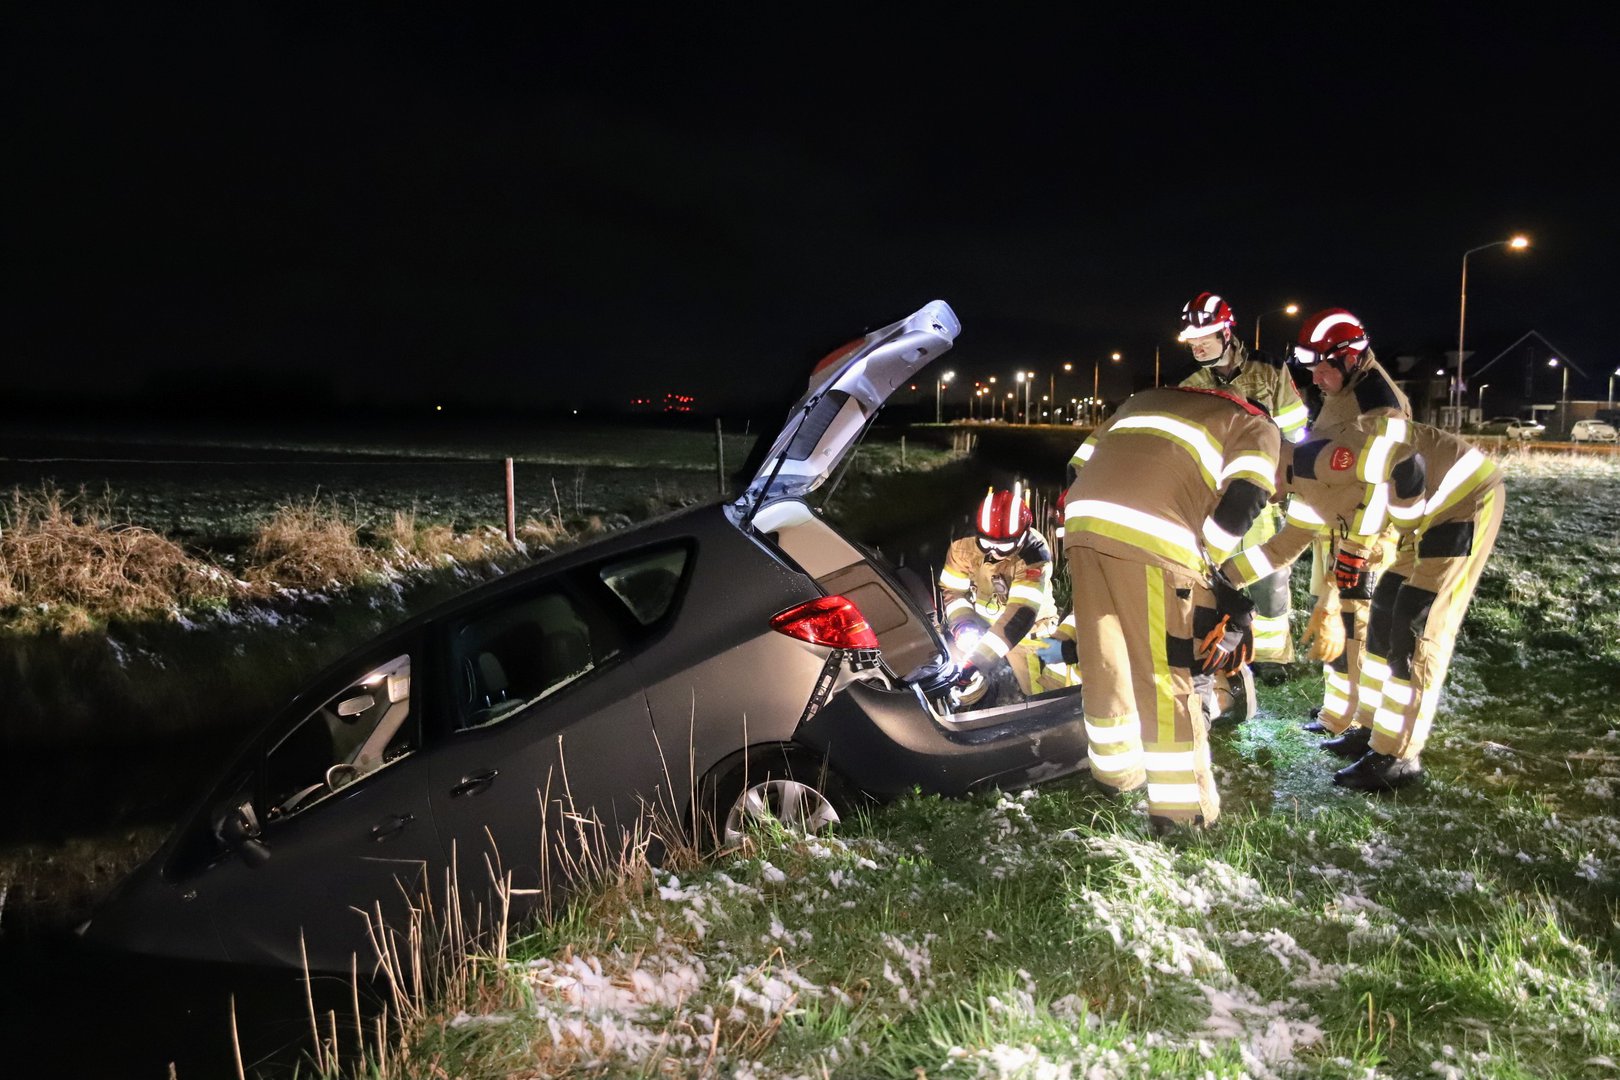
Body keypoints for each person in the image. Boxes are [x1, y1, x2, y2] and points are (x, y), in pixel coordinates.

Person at [1221, 416, 1503, 789]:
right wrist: (1221, 577)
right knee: (1384, 616)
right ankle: (1371, 734)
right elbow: (1280, 549)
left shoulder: (1320, 459)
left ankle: (1399, 758)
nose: (1253, 495)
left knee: (1416, 625)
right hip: (1423, 522)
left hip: (1461, 502)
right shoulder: (1302, 485)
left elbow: (1406, 465)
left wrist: (1398, 526)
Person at [1063, 386, 1281, 830]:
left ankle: (1115, 775)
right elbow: (1248, 494)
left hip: (1081, 523)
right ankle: (1181, 814)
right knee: (1167, 672)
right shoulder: (1258, 426)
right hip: (1156, 539)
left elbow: (1076, 466)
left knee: (1104, 657)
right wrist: (1208, 563)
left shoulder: (1140, 400)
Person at [1289, 308, 1413, 741]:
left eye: (1323, 367)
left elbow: (1379, 485)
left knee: (1357, 628)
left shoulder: (1379, 405)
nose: (1316, 378)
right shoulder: (1343, 390)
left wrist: (1358, 550)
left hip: (1364, 537)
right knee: (1332, 626)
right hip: (1336, 531)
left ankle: (1364, 724)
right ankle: (1337, 713)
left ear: (1349, 356)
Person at [1178, 292, 1311, 677]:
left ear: (1226, 331)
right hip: (1212, 494)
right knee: (1210, 573)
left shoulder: (1268, 370)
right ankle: (1213, 646)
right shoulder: (1191, 383)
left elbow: (1294, 428)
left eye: (1205, 335)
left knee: (1269, 575)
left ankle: (1270, 658)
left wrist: (1288, 476)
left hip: (1260, 490)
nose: (1197, 344)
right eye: (1192, 339)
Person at [940, 484, 1072, 704]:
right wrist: (963, 625)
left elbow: (1021, 614)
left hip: (1030, 631)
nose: (994, 552)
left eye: (1004, 547)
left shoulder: (1034, 555)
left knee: (1046, 696)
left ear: (1023, 537)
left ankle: (1046, 734)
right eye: (986, 544)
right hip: (978, 626)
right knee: (963, 682)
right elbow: (953, 590)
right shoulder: (962, 546)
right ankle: (975, 708)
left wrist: (980, 659)